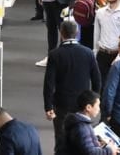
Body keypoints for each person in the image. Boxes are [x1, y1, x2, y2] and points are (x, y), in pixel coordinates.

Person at [44, 21, 102, 152]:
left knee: (61, 138)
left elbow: (49, 83)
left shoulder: (55, 54)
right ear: (77, 33)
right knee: (83, 137)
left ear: (61, 33)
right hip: (83, 105)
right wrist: (94, 100)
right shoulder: (88, 53)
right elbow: (97, 79)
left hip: (61, 104)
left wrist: (48, 106)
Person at [58, 90, 118, 155]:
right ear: (88, 107)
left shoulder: (80, 123)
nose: (99, 109)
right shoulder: (82, 127)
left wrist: (99, 145)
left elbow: (84, 146)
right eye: (97, 105)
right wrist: (109, 150)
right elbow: (90, 152)